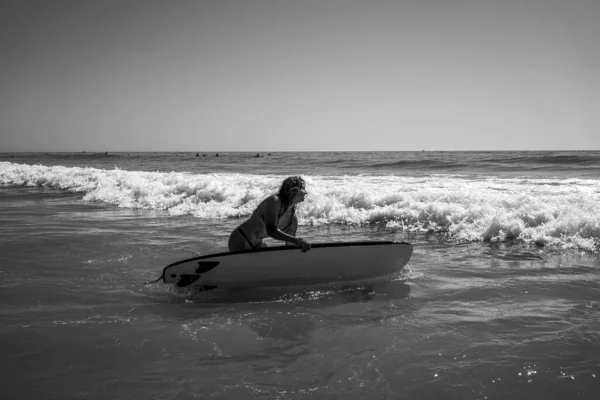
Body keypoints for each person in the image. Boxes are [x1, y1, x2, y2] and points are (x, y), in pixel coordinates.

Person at [228, 176, 311, 252]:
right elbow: (271, 230)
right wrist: (297, 241)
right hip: (241, 238)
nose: (306, 192)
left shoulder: (293, 220)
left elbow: (290, 248)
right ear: (294, 189)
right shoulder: (274, 201)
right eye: (303, 188)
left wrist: (301, 248)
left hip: (258, 244)